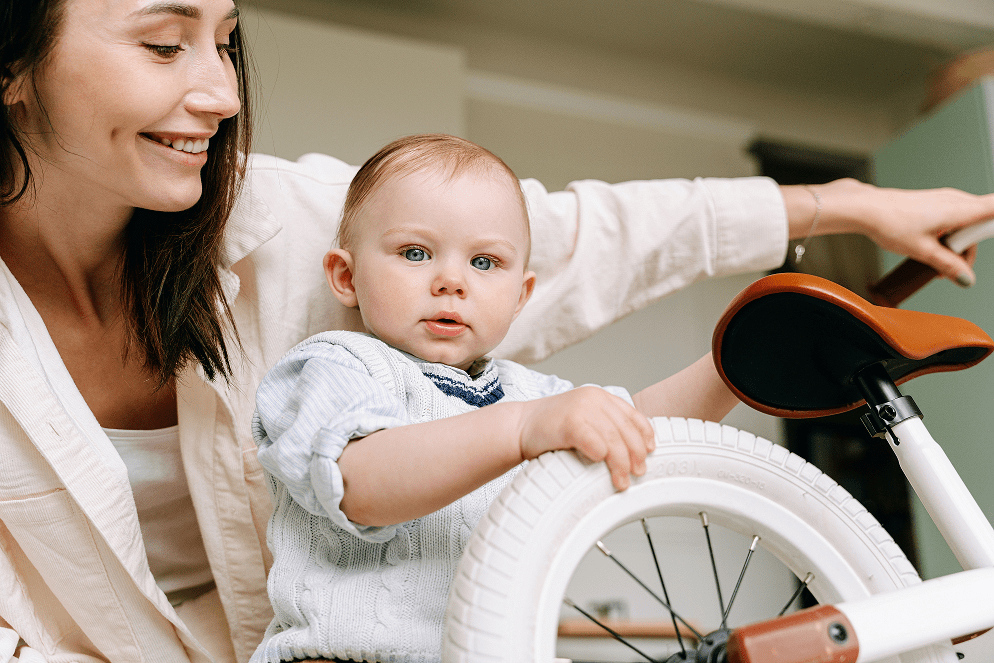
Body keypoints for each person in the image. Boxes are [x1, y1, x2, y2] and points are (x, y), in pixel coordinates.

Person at [3, 1, 994, 662]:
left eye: (226, 41)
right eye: (164, 43)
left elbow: (591, 279)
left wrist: (763, 318)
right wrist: (533, 428)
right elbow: (355, 481)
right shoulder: (338, 361)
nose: (221, 92)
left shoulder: (339, 258)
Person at [249, 133, 743, 663]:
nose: (451, 281)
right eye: (415, 253)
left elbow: (637, 421)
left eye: (484, 262)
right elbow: (358, 482)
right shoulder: (334, 364)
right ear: (346, 276)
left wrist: (736, 367)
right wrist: (522, 430)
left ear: (520, 296)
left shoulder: (528, 394)